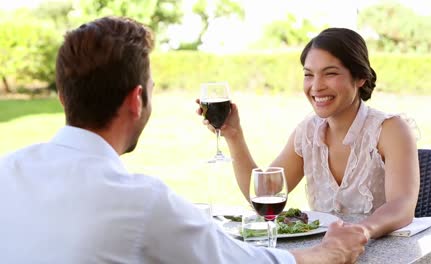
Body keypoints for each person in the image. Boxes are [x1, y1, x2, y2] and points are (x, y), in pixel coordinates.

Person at [0, 17, 368, 264]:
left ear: (63, 97)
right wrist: (328, 251)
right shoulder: (140, 201)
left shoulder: (7, 172)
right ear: (136, 100)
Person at [198, 27, 420, 240]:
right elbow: (261, 194)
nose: (316, 86)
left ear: (360, 77)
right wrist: (233, 135)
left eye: (330, 73)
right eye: (308, 75)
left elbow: (401, 206)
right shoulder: (308, 132)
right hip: (326, 253)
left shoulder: (391, 130)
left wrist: (360, 232)